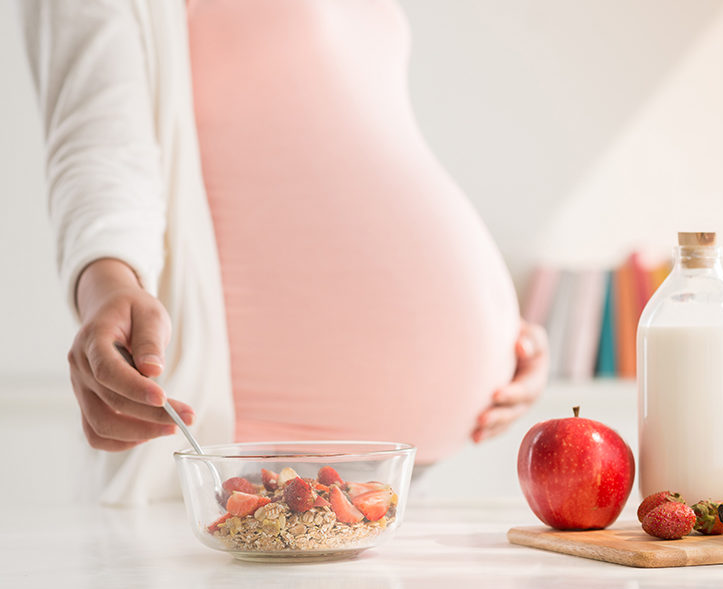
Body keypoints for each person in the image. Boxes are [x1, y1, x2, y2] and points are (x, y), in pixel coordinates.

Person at [19, 0, 547, 505]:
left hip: (408, 481)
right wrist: (109, 286)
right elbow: (101, 151)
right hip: (249, 476)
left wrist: (502, 339)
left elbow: (356, 141)